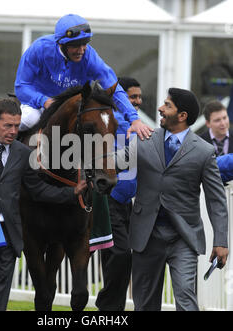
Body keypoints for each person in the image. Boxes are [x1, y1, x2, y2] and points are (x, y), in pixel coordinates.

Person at [0, 97, 87, 311]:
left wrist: (71, 193)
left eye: (17, 126)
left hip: (6, 238)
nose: (13, 131)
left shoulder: (23, 154)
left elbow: (38, 190)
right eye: (7, 126)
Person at [129, 88, 229, 311]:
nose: (160, 109)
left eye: (167, 105)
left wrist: (221, 241)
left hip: (184, 237)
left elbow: (216, 200)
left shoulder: (204, 151)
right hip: (147, 236)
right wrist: (90, 157)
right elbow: (118, 159)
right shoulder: (144, 138)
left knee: (185, 298)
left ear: (182, 116)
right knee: (144, 304)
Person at [14, 13, 152, 140]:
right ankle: (6, 158)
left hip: (74, 107)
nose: (81, 51)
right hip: (39, 105)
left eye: (84, 44)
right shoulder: (39, 49)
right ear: (61, 43)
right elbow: (21, 86)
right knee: (29, 119)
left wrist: (135, 120)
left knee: (98, 123)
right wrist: (43, 100)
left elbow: (113, 87)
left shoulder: (90, 57)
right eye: (75, 46)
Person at [95, 77, 141, 311]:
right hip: (108, 199)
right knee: (120, 255)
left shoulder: (136, 125)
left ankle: (112, 309)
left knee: (122, 259)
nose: (138, 101)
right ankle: (108, 307)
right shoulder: (107, 121)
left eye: (139, 97)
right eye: (132, 97)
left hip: (127, 203)